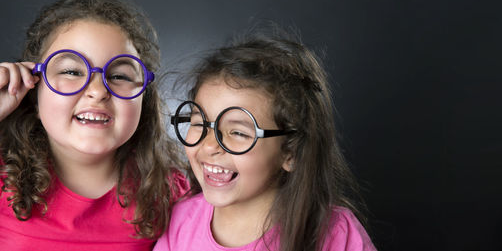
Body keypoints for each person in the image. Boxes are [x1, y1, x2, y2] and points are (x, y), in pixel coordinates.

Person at [0, 0, 188, 250]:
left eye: (119, 76)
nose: (98, 91)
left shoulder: (168, 189)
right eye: (72, 71)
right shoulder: (0, 168)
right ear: (34, 89)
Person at [154, 27, 376, 251]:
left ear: (291, 152)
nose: (210, 144)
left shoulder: (335, 234)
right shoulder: (179, 222)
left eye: (238, 132)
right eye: (200, 123)